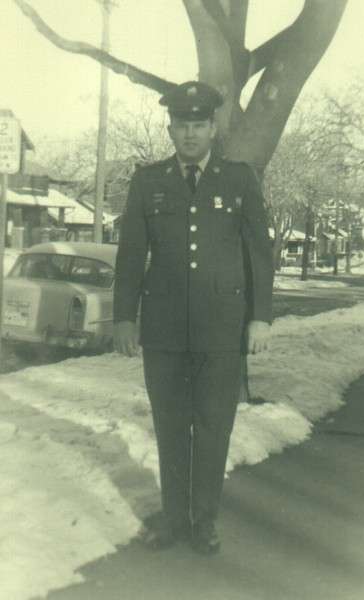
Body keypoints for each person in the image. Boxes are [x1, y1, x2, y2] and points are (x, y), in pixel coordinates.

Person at [113, 81, 273, 555]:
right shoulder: (148, 182)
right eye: (182, 125)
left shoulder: (239, 179)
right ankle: (173, 519)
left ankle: (204, 521)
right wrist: (124, 317)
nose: (190, 134)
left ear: (212, 128)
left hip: (222, 330)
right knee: (169, 426)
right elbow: (130, 255)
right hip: (163, 330)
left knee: (213, 427)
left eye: (198, 125)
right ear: (170, 129)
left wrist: (260, 317)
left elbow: (259, 255)